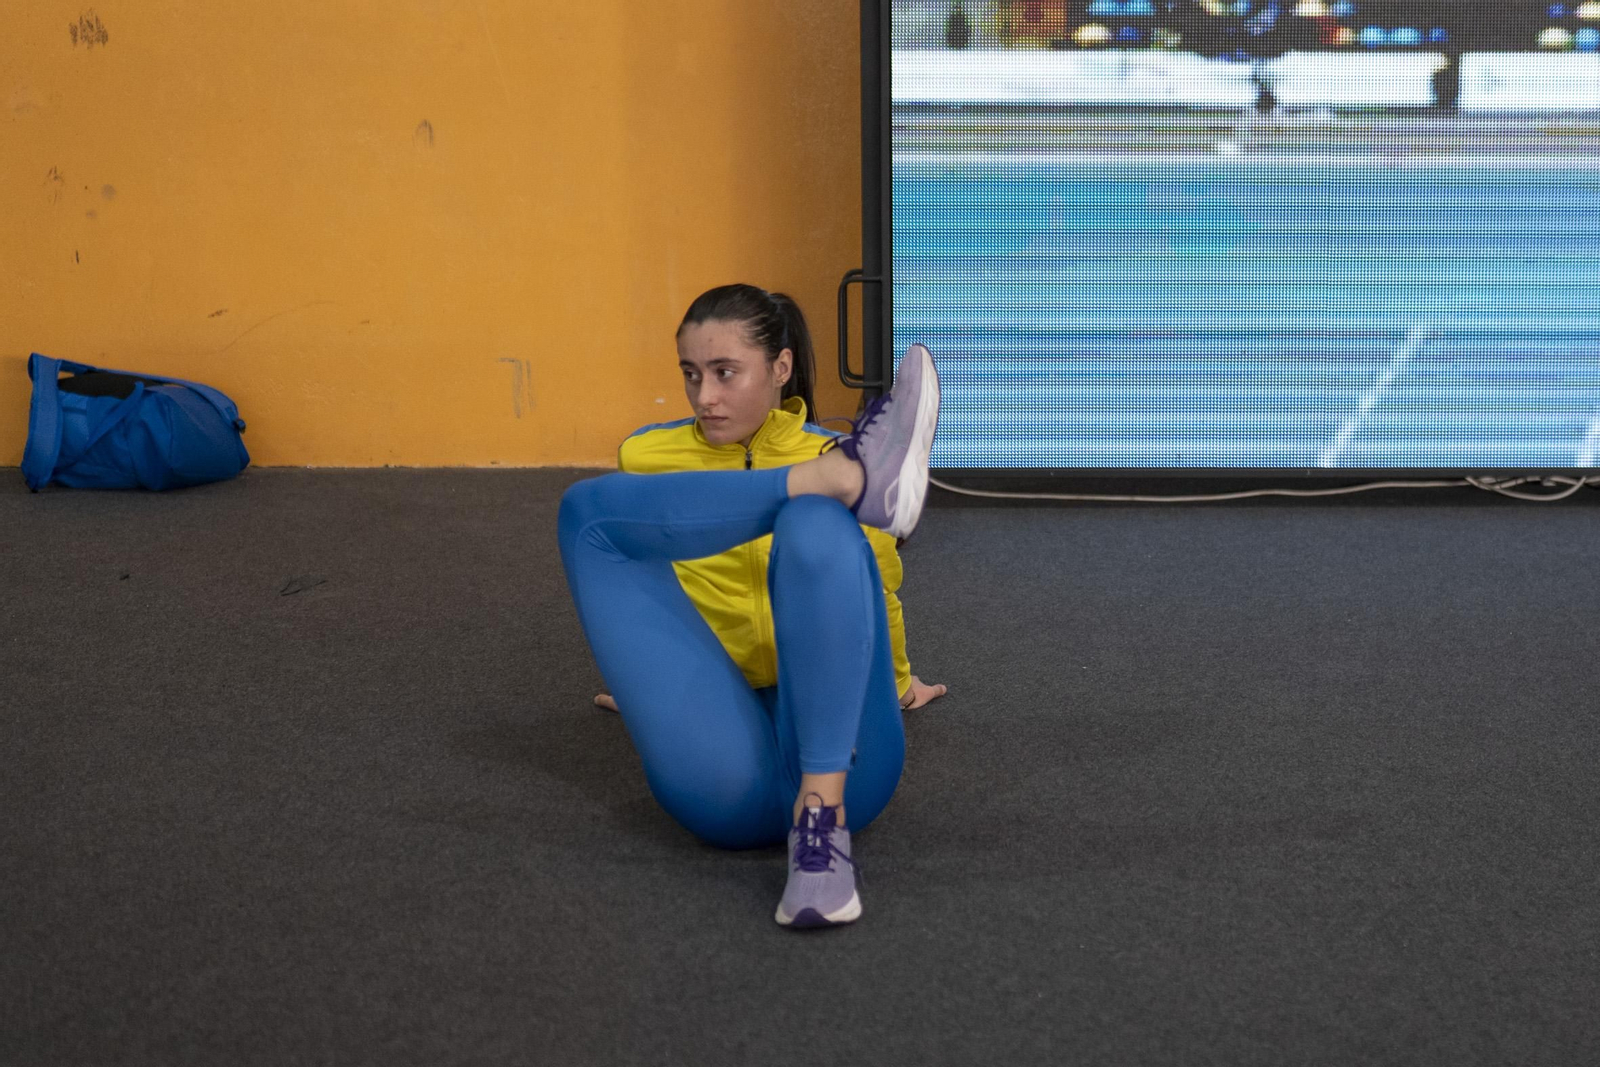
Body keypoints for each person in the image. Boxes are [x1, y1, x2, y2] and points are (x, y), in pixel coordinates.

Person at [556, 283, 947, 928]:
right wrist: (644, 687)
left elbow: (875, 587)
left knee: (814, 523)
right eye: (691, 374)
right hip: (720, 763)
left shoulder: (819, 443)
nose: (704, 397)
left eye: (725, 372)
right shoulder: (646, 456)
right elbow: (645, 598)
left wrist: (899, 684)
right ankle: (835, 486)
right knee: (585, 511)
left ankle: (820, 837)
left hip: (849, 768)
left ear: (780, 368)